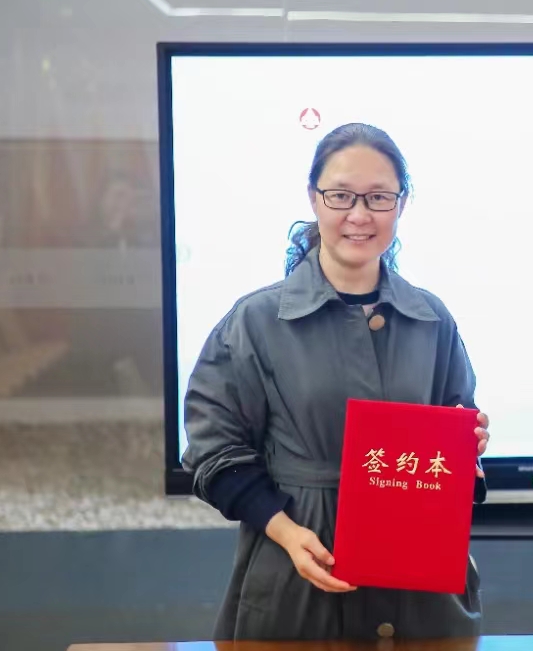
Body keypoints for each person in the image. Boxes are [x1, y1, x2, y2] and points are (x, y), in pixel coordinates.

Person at [182, 122, 490, 641]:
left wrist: (468, 450)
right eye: (341, 196)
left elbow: (454, 434)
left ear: (402, 203)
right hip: (298, 583)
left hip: (421, 593)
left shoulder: (432, 319)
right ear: (313, 197)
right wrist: (286, 532)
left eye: (379, 197)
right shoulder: (256, 321)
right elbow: (212, 451)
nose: (359, 215)